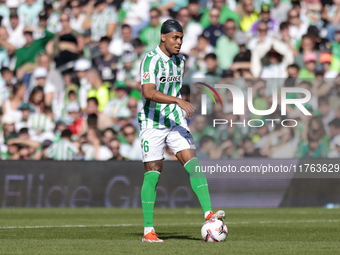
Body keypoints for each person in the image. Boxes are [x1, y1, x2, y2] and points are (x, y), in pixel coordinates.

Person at [139, 19, 225, 243]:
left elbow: (173, 87)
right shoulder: (150, 60)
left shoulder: (181, 61)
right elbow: (148, 92)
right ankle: (148, 231)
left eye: (181, 38)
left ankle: (208, 213)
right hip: (152, 122)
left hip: (175, 120)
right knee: (153, 174)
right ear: (163, 37)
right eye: (175, 38)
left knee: (193, 165)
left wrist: (179, 105)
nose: (179, 42)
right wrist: (178, 100)